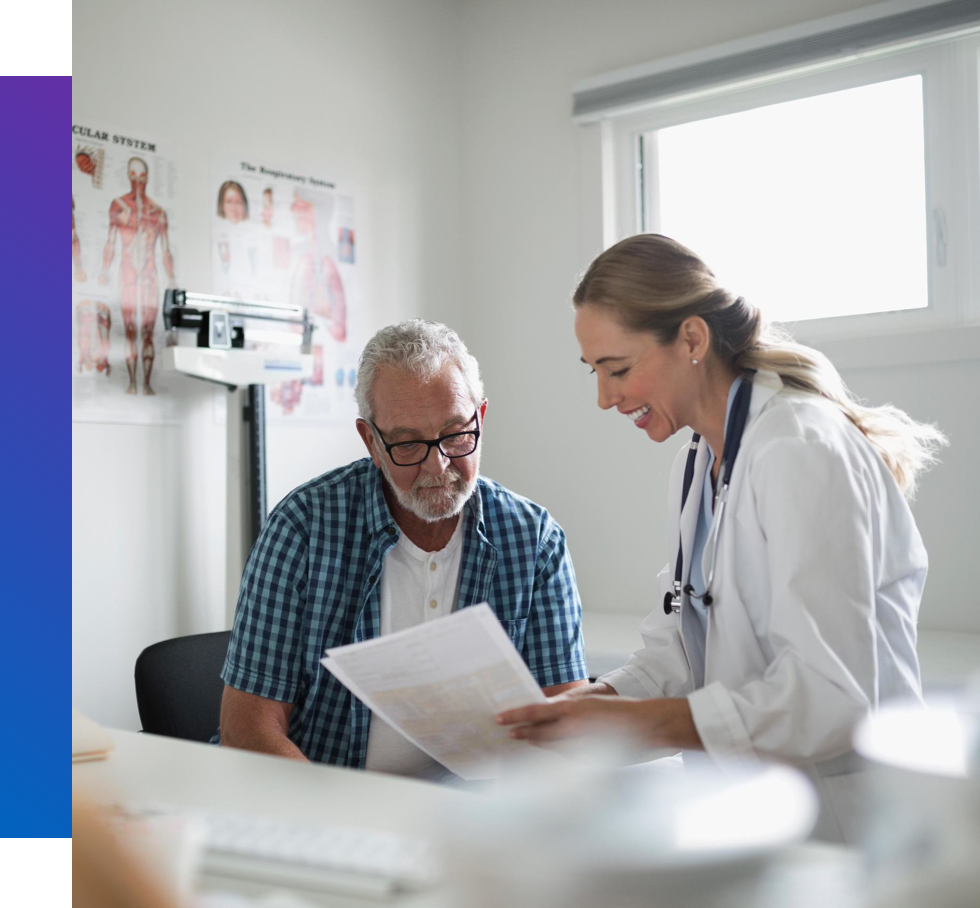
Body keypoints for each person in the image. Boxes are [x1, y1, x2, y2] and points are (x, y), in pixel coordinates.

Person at [497, 234, 946, 842]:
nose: (605, 398)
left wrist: (636, 726)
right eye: (596, 374)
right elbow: (681, 650)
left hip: (845, 823)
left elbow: (831, 696)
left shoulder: (797, 448)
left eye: (618, 370)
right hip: (753, 811)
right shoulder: (702, 460)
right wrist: (592, 705)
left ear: (691, 339)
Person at [215, 320, 588, 780]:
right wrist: (343, 822)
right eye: (409, 443)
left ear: (481, 418)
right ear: (372, 441)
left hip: (475, 817)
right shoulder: (304, 528)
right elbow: (246, 727)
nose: (438, 465)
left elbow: (566, 725)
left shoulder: (534, 539)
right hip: (326, 797)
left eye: (456, 435)